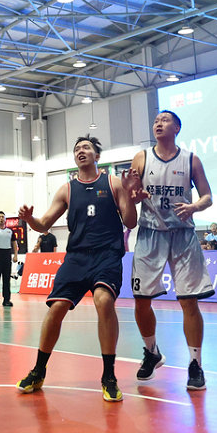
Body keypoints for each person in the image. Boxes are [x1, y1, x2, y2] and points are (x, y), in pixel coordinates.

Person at [16, 136, 142, 402]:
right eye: (76, 149)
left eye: (86, 148)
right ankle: (38, 371)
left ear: (97, 156)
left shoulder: (113, 183)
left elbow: (130, 221)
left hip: (107, 255)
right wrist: (29, 219)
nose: (80, 151)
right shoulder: (67, 190)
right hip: (76, 258)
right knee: (57, 307)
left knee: (103, 301)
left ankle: (109, 376)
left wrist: (130, 196)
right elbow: (44, 224)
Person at [131, 110, 214, 392]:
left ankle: (195, 364)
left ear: (177, 127)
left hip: (183, 234)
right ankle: (151, 351)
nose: (158, 123)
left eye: (164, 120)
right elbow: (132, 196)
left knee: (189, 301)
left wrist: (194, 206)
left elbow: (207, 196)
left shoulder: (191, 159)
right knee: (141, 300)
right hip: (150, 233)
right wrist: (134, 194)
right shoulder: (142, 157)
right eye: (156, 120)